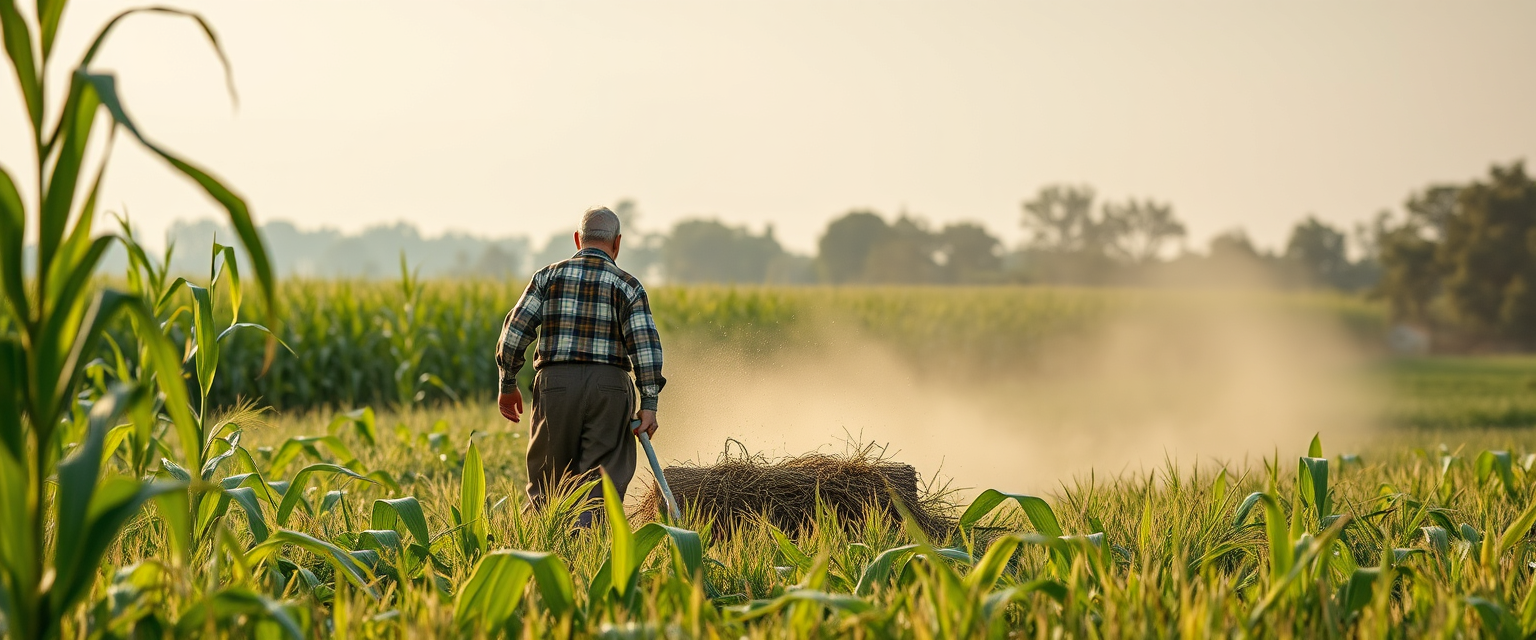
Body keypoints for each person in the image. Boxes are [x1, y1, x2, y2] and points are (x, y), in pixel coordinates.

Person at [495, 206, 666, 522]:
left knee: (548, 484)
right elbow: (645, 346)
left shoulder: (547, 277)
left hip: (555, 385)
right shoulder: (628, 285)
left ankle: (543, 553)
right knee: (599, 486)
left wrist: (507, 384)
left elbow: (515, 332)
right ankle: (586, 553)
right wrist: (649, 402)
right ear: (617, 243)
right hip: (609, 388)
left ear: (578, 239)